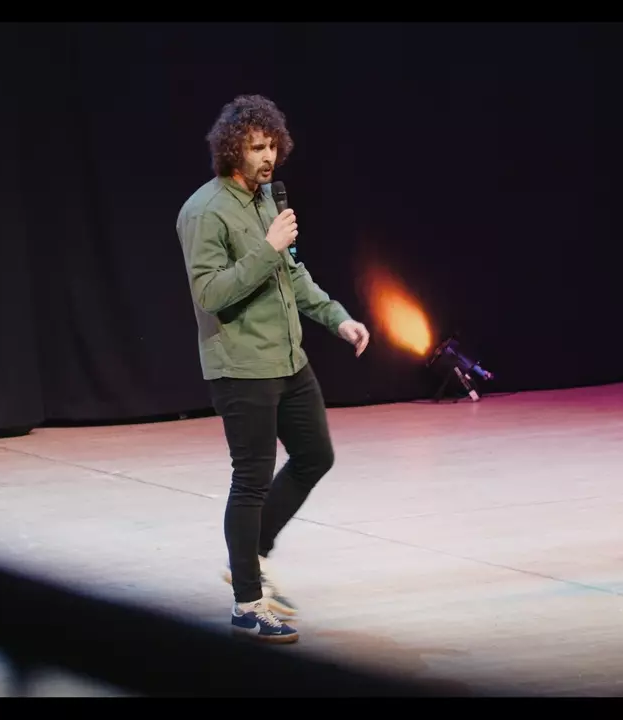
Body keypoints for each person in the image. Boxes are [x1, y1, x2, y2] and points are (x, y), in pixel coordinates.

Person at [175, 94, 370, 644]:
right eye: (256, 147)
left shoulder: (265, 199)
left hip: (288, 359)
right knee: (252, 479)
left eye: (271, 146)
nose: (268, 157)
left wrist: (337, 318)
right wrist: (267, 248)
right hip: (241, 366)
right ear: (231, 150)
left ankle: (251, 557)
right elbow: (210, 293)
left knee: (315, 455)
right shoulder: (204, 211)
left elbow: (291, 274)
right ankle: (246, 603)